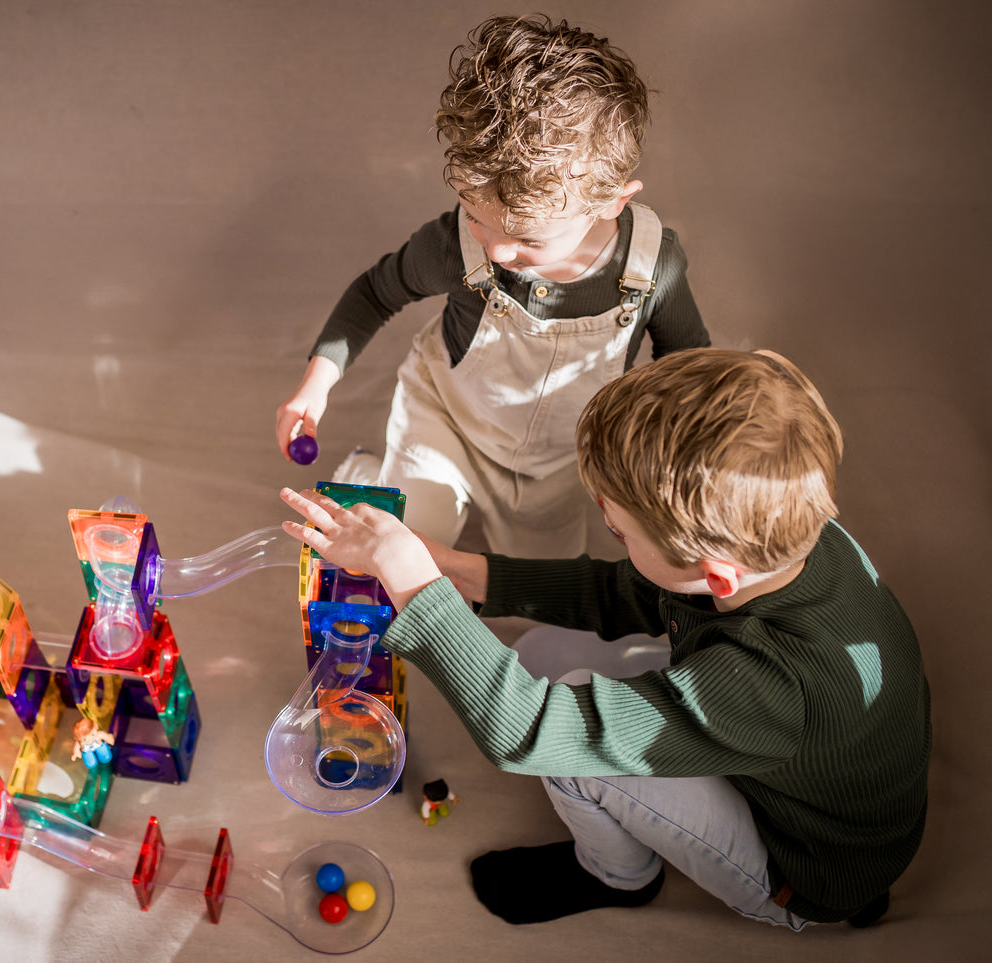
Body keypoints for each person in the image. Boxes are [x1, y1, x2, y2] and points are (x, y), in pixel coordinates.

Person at [278, 348, 930, 929]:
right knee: (536, 652)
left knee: (566, 751)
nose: (608, 532)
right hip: (793, 760)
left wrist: (415, 584)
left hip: (800, 865)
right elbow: (623, 592)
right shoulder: (791, 537)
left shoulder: (765, 684)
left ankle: (617, 875)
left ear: (716, 573)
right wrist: (445, 562)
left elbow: (524, 731)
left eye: (619, 531)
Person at [275, 14, 710, 559]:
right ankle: (379, 474)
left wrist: (673, 453)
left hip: (560, 463)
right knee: (404, 551)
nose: (498, 251)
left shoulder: (652, 265)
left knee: (534, 579)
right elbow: (376, 292)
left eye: (527, 239)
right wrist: (315, 385)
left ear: (612, 202)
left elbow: (688, 363)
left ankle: (403, 487)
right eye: (477, 218)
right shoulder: (456, 247)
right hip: (447, 425)